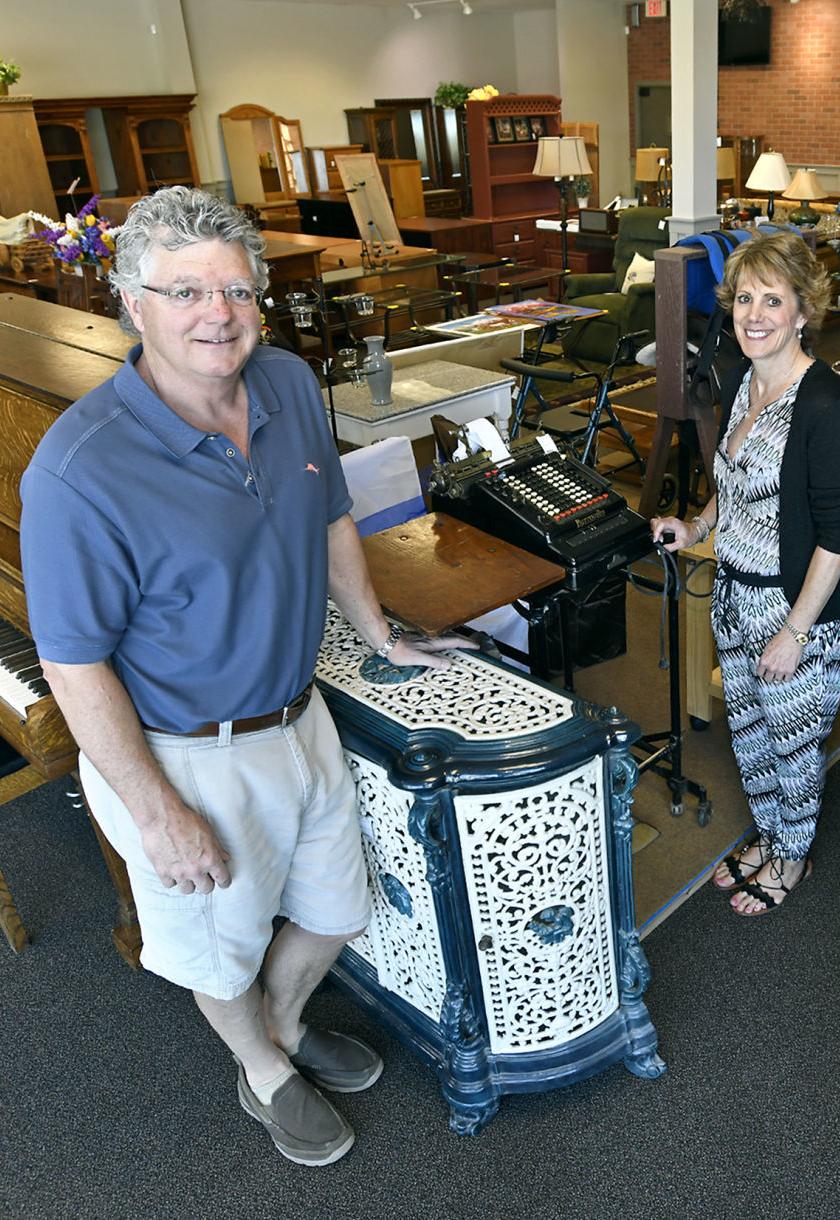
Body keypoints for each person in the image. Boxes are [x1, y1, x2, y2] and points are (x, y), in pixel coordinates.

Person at [20, 187, 470, 1165]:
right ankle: (262, 1066)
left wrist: (379, 633)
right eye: (183, 291)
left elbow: (331, 514)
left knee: (336, 907)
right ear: (131, 302)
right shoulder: (76, 471)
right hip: (184, 756)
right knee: (213, 949)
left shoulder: (286, 384)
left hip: (298, 715)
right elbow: (72, 659)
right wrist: (154, 811)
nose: (214, 312)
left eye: (234, 287)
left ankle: (284, 1019)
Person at [652, 231, 840, 916]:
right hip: (736, 595)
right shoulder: (745, 380)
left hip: (793, 609)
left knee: (794, 745)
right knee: (749, 732)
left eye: (773, 300)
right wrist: (697, 527)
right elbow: (734, 483)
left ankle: (791, 858)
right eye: (745, 297)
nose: (755, 314)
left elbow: (836, 536)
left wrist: (796, 632)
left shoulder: (824, 405)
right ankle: (769, 834)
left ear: (803, 311)